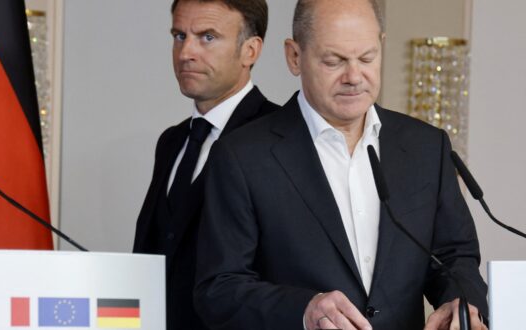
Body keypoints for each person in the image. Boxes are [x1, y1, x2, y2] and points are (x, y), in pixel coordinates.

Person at [194, 0, 488, 329]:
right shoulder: (242, 155)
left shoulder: (427, 147)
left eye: (367, 58)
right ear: (294, 56)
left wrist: (460, 304)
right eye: (334, 61)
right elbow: (218, 289)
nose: (354, 76)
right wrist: (304, 310)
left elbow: (454, 256)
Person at [132, 0, 278, 329]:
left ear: (251, 51)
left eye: (208, 37)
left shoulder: (282, 137)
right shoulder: (172, 141)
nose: (186, 53)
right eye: (180, 36)